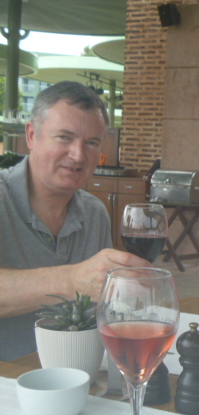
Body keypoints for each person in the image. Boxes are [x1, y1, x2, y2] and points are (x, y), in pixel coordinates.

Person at [0, 82, 150, 331]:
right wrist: (73, 281)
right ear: (32, 136)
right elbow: (81, 283)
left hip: (84, 356)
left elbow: (102, 309)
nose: (78, 155)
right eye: (64, 137)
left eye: (91, 142)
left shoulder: (94, 212)